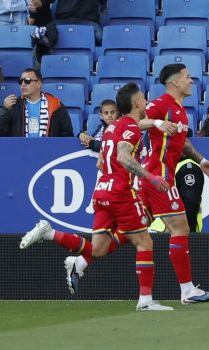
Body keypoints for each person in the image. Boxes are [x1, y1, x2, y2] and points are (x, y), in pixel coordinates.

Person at [20, 83, 175, 311]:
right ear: (137, 103)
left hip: (102, 191)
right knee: (144, 242)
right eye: (143, 98)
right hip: (121, 193)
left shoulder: (112, 128)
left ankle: (50, 233)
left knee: (99, 250)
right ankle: (145, 300)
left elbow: (102, 162)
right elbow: (123, 157)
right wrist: (150, 178)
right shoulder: (130, 129)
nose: (146, 101)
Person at [137, 63, 209, 304]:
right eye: (187, 77)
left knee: (133, 229)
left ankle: (81, 259)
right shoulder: (161, 103)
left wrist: (202, 160)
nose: (191, 81)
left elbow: (182, 142)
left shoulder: (180, 109)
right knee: (180, 229)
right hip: (159, 176)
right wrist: (155, 123)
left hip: (153, 176)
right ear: (175, 82)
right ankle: (187, 290)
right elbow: (135, 123)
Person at [0, 68, 74, 137]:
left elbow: (67, 135)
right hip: (21, 151)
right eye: (21, 81)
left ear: (38, 84)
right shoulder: (14, 105)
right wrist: (4, 110)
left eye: (27, 81)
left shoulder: (56, 105)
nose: (23, 84)